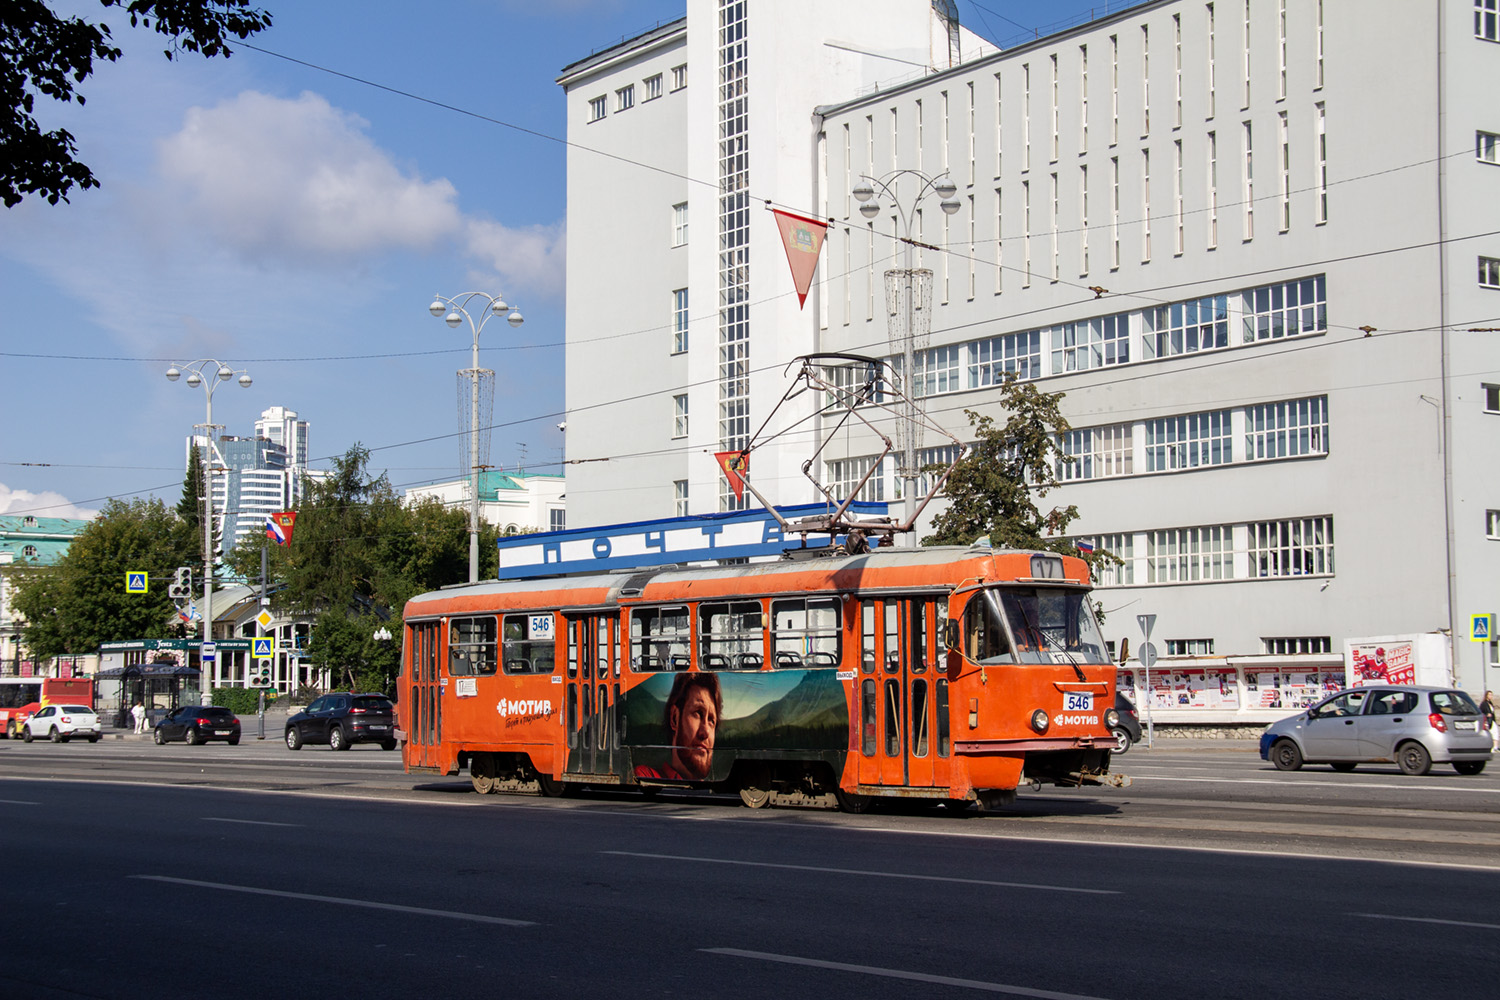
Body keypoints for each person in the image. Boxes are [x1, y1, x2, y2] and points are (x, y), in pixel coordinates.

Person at [635, 672, 722, 781]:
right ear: (675, 718)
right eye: (697, 713)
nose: (705, 732)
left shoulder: (710, 791)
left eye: (711, 721)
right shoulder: (647, 776)